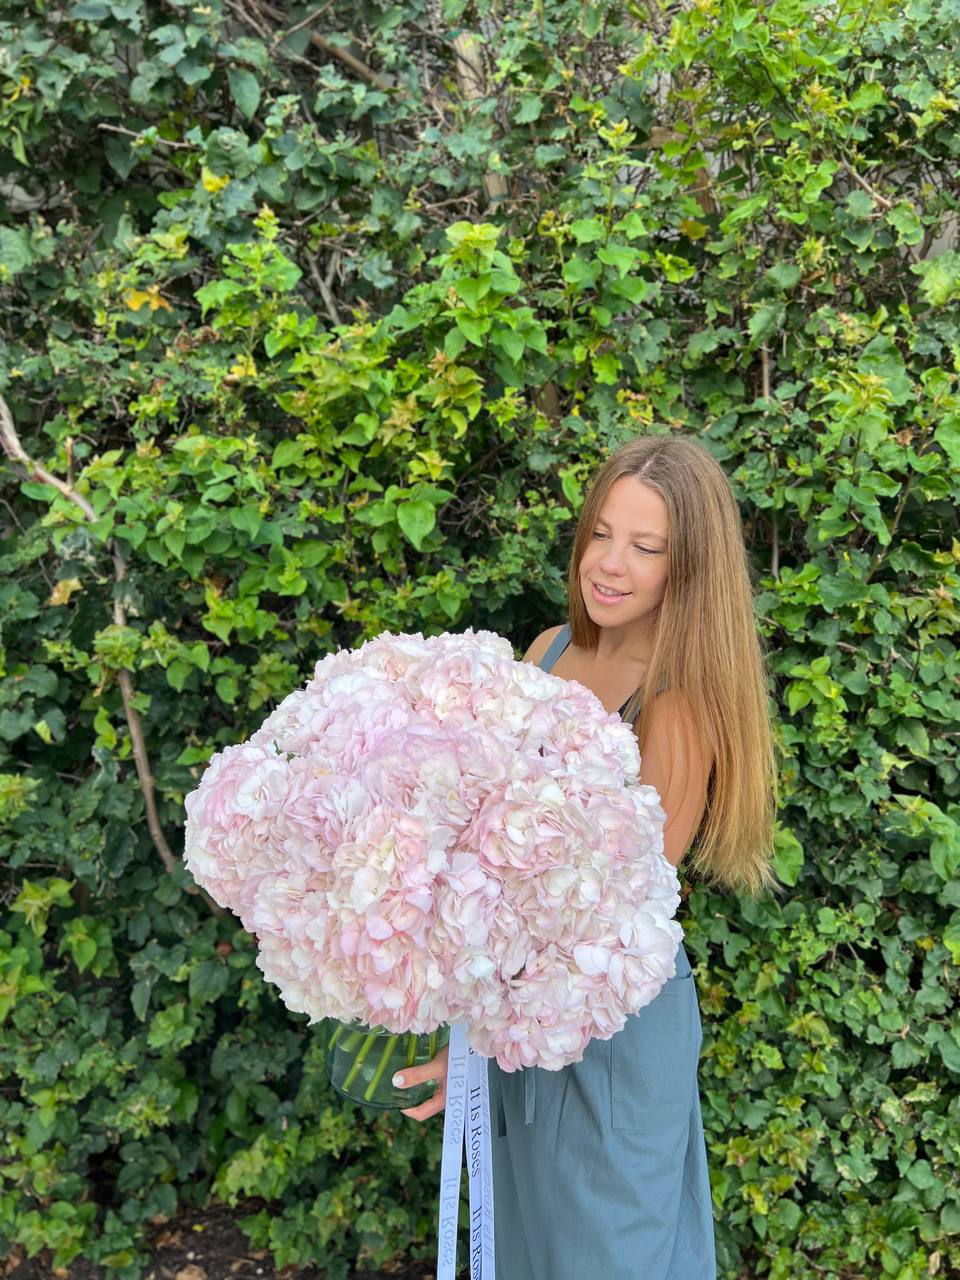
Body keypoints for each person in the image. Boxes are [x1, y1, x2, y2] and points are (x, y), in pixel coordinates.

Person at [394, 434, 780, 1279]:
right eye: (602, 532)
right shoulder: (547, 652)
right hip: (519, 1004)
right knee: (527, 1242)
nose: (609, 564)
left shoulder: (674, 707)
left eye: (645, 548)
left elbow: (615, 911)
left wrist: (480, 1036)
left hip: (608, 1018)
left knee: (607, 1252)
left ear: (690, 568)